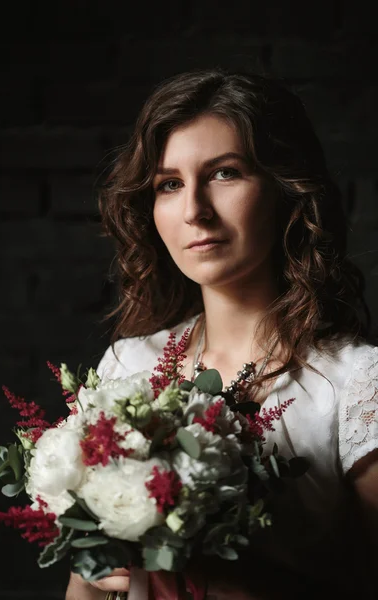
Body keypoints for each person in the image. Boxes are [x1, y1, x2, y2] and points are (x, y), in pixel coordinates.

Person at [65, 68, 378, 599]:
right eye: (170, 184)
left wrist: (226, 578)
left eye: (224, 173)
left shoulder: (355, 386)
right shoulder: (127, 367)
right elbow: (86, 587)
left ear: (285, 188)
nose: (194, 210)